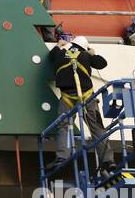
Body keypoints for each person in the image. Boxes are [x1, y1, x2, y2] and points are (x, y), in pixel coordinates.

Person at [46, 34, 114, 175]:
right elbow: (102, 63)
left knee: (64, 126)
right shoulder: (86, 55)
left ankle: (62, 156)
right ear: (84, 47)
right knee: (96, 127)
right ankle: (108, 161)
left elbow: (51, 55)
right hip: (87, 96)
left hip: (67, 96)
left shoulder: (60, 54)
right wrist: (93, 53)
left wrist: (59, 44)